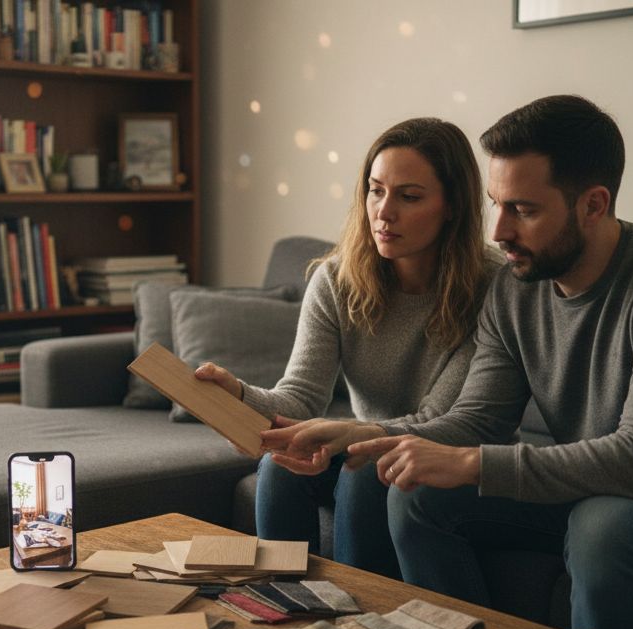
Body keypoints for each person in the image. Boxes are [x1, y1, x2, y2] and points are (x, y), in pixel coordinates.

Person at [261, 95, 633, 629]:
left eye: (524, 210)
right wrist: (358, 435)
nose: (500, 232)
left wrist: (469, 463)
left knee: (604, 525)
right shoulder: (516, 287)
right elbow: (477, 416)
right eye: (496, 205)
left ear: (593, 204)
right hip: (588, 492)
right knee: (414, 492)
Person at [193, 117, 501, 579]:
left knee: (363, 470)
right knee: (278, 465)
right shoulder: (337, 279)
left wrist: (353, 436)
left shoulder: (491, 289)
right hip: (369, 443)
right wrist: (236, 395)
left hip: (449, 456)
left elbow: (443, 421)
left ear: (452, 205)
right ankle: (282, 610)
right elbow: (298, 399)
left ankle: (360, 628)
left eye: (409, 196)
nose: (384, 212)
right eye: (376, 190)